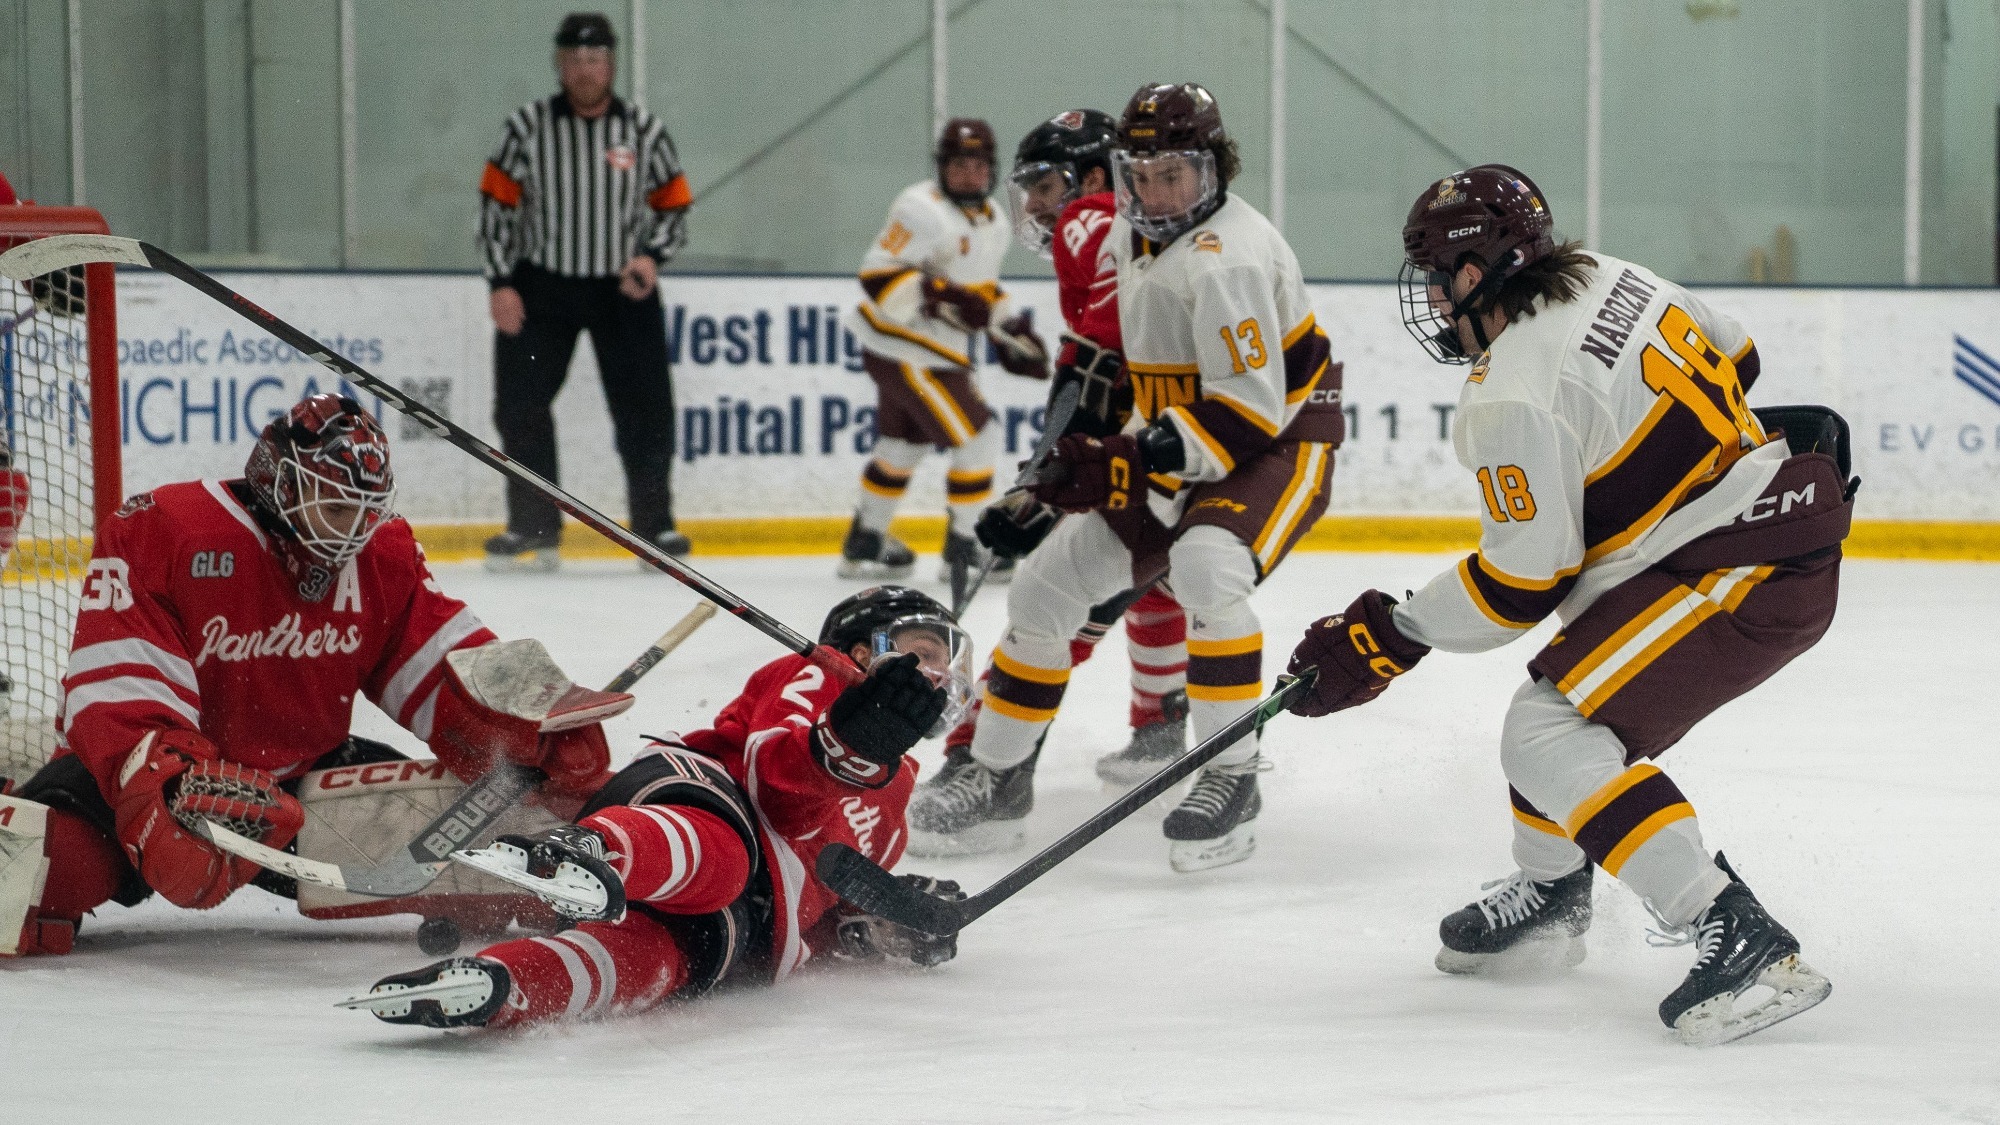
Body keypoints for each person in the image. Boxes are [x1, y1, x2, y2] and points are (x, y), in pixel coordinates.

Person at [1283, 165, 1851, 1046]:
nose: (1433, 298)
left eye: (1439, 276)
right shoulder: (1610, 274)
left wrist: (1390, 632)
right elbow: (1739, 356)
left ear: (1478, 273)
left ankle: (1737, 931)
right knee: (1559, 695)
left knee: (1546, 731)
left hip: (1741, 568)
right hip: (1751, 525)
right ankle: (1552, 893)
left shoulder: (1510, 389)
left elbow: (1518, 585)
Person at [0, 394, 626, 957]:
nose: (351, 533)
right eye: (334, 508)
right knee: (41, 870)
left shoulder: (378, 554)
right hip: (151, 779)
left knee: (526, 825)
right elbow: (118, 686)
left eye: (364, 513)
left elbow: (443, 663)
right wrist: (165, 787)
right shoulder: (165, 529)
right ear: (279, 482)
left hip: (301, 786)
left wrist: (533, 724)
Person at [906, 83, 1343, 872]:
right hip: (1179, 433)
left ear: (1215, 169)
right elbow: (1100, 370)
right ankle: (999, 776)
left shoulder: (1227, 259)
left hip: (1280, 442)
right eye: (1138, 174)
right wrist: (1042, 488)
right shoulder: (1126, 236)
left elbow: (1248, 413)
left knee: (1209, 569)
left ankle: (1230, 774)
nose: (1154, 192)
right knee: (1043, 587)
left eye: (1173, 174)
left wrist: (1123, 462)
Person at [341, 586, 969, 1029]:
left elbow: (820, 899)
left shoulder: (894, 799)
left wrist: (878, 924)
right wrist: (846, 743)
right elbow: (777, 789)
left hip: (751, 920)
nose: (940, 670)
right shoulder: (818, 677)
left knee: (659, 959)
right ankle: (582, 855)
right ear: (862, 652)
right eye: (924, 648)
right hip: (699, 813)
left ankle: (501, 986)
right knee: (721, 860)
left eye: (947, 656)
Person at [928, 109, 1191, 804]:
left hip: (1155, 462)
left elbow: (1110, 378)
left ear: (1096, 178)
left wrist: (1043, 492)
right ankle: (1161, 726)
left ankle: (987, 769)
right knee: (1153, 584)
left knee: (1050, 614)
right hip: (1187, 461)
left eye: (1046, 185)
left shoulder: (1097, 223)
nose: (1037, 205)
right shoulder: (1132, 239)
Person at [478, 12, 693, 571]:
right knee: (520, 404)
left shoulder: (643, 131)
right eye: (573, 59)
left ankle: (654, 527)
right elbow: (496, 209)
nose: (584, 69)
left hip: (622, 291)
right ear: (559, 64)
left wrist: (651, 257)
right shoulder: (526, 127)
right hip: (541, 286)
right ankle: (533, 525)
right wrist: (501, 281)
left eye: (595, 59)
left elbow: (673, 206)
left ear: (612, 64)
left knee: (646, 409)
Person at [837, 118, 1049, 584]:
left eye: (977, 164)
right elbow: (877, 277)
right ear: (942, 167)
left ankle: (865, 541)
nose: (968, 174)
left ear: (991, 170)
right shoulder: (919, 208)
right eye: (959, 164)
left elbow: (982, 293)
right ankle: (967, 544)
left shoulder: (993, 218)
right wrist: (942, 294)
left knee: (902, 444)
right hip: (905, 349)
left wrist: (1010, 329)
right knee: (980, 437)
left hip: (932, 352)